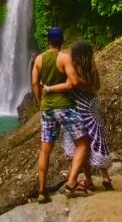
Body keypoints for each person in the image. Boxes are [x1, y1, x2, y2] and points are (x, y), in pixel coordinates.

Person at [43, 39, 114, 191]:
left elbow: (69, 85)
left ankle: (88, 180)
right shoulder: (92, 70)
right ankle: (106, 177)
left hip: (79, 109)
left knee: (81, 145)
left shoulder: (74, 71)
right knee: (97, 140)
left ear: (76, 55)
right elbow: (97, 86)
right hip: (94, 108)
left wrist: (49, 88)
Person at [32, 27, 88, 203]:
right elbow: (74, 82)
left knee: (45, 150)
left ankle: (41, 191)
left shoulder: (39, 59)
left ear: (48, 41)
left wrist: (38, 101)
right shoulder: (64, 57)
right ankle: (71, 183)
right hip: (64, 107)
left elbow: (34, 82)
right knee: (83, 142)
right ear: (62, 41)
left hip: (46, 109)